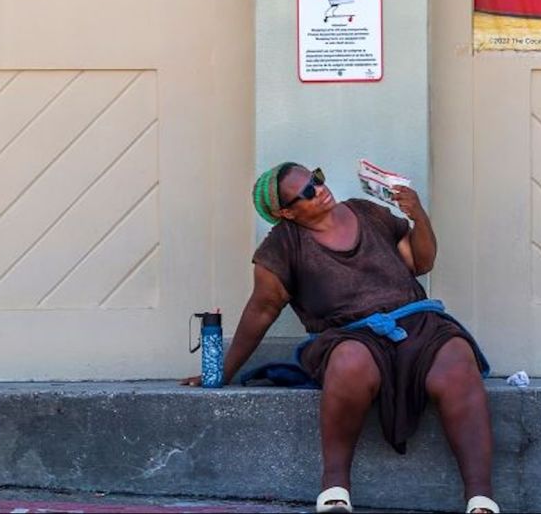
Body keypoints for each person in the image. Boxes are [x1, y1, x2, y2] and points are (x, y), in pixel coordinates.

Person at [182, 162, 499, 514]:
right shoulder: (282, 247)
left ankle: (481, 499)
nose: (319, 189)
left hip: (416, 323)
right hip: (347, 337)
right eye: (306, 192)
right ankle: (335, 489)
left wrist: (418, 217)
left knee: (456, 357)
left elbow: (420, 262)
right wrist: (224, 371)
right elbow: (261, 311)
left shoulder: (366, 212)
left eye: (315, 179)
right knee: (351, 363)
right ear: (286, 212)